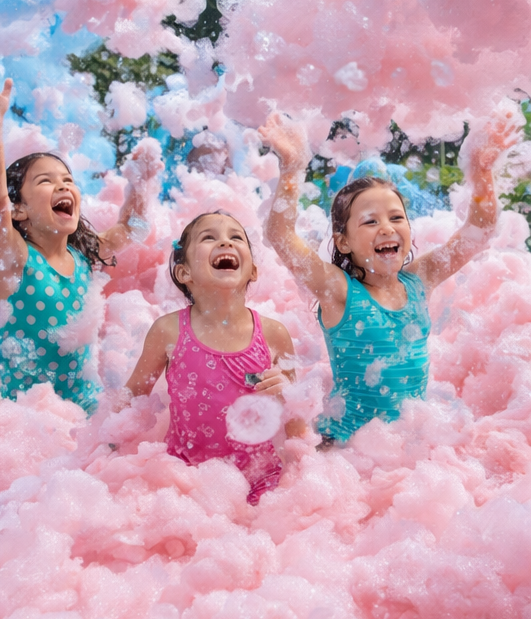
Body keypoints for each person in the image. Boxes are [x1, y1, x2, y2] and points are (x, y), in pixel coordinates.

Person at [260, 111, 516, 444]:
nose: (387, 227)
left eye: (397, 217)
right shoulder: (340, 291)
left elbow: (478, 232)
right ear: (343, 242)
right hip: (345, 450)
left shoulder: (418, 281)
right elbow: (281, 236)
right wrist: (292, 168)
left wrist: (482, 173)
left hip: (407, 450)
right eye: (369, 221)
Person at [0, 62, 158, 412]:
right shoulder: (14, 260)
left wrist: (139, 183)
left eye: (67, 179)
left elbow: (133, 228)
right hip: (21, 411)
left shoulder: (83, 254)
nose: (63, 184)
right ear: (18, 210)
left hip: (84, 404)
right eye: (46, 181)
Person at [125, 211, 305, 503]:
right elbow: (132, 401)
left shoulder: (273, 335)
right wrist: (104, 453)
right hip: (184, 477)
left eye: (236, 237)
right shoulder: (168, 331)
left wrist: (286, 397)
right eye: (209, 238)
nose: (226, 243)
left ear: (253, 271)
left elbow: (296, 423)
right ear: (184, 273)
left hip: (261, 479)